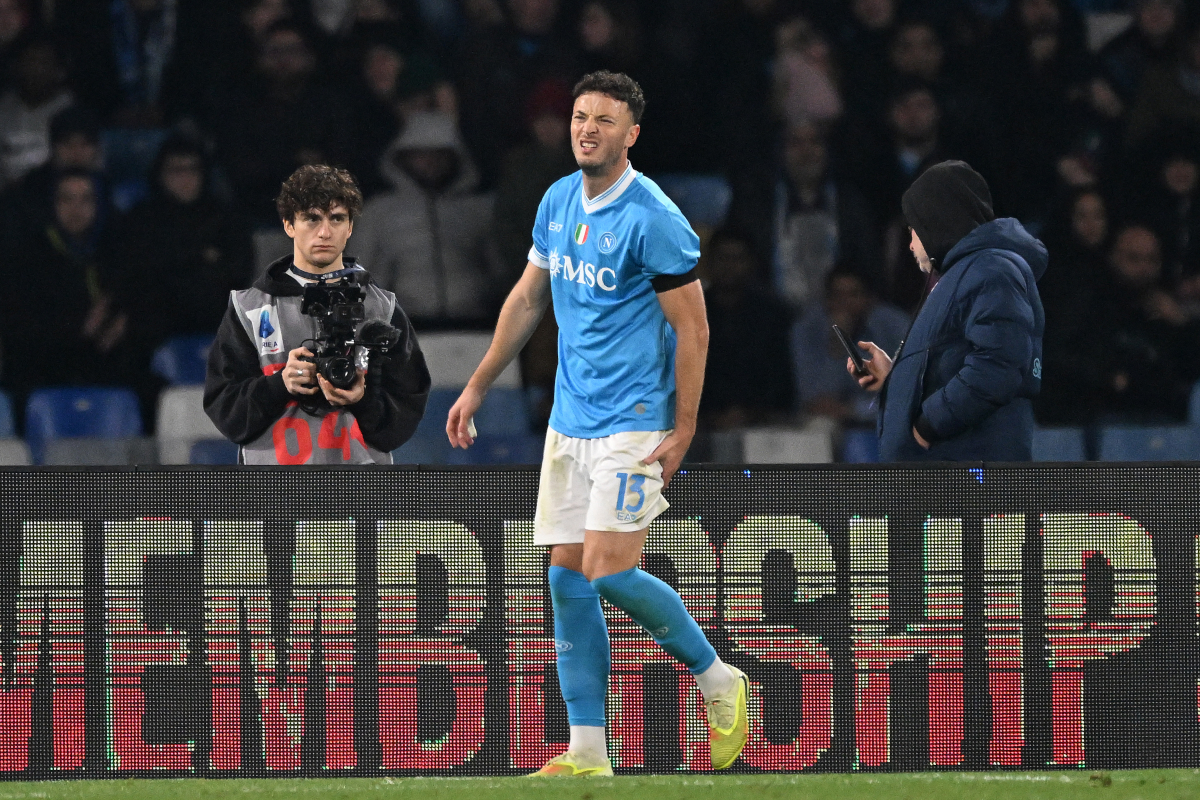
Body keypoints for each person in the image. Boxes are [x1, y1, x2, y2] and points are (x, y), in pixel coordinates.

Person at [446, 71, 750, 776]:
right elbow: (527, 301)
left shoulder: (655, 218)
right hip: (570, 419)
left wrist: (684, 427)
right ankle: (588, 750)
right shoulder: (556, 200)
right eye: (581, 117)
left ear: (631, 134)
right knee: (565, 577)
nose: (587, 129)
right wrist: (477, 384)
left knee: (610, 569)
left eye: (604, 120)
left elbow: (694, 330)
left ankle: (717, 677)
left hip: (634, 419)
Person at [203, 165, 430, 464]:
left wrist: (363, 401)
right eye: (312, 218)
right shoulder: (249, 309)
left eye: (336, 219)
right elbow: (226, 412)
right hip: (276, 499)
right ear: (288, 225)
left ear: (350, 227)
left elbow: (402, 420)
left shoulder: (382, 309)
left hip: (358, 495)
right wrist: (280, 384)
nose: (325, 232)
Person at [851, 160, 1047, 461]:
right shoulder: (965, 274)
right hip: (949, 482)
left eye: (914, 229)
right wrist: (896, 380)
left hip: (968, 481)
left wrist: (929, 427)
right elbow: (955, 363)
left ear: (937, 221)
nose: (911, 244)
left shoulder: (992, 269)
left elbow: (999, 366)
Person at [352, 111, 500, 329]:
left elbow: (499, 270)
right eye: (421, 155)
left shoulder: (478, 209)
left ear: (456, 157)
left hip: (473, 324)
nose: (430, 162)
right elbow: (358, 275)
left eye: (439, 154)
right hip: (405, 328)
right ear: (403, 158)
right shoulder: (380, 211)